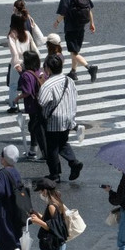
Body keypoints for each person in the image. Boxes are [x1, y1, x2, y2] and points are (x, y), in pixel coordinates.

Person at [39, 54, 83, 183]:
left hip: (53, 119)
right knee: (63, 143)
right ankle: (74, 162)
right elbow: (75, 96)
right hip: (68, 117)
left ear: (48, 69)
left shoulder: (47, 85)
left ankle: (54, 174)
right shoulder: (69, 80)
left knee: (52, 146)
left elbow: (42, 102)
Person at [52, 0, 97, 83]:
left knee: (73, 52)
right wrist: (92, 23)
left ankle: (90, 68)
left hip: (71, 27)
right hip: (82, 25)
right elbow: (89, 9)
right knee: (75, 50)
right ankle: (73, 72)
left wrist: (57, 22)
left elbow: (63, 13)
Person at [15, 51, 46, 159]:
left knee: (34, 128)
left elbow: (27, 91)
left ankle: (41, 152)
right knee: (37, 127)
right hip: (42, 103)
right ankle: (34, 150)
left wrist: (17, 98)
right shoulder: (40, 71)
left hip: (33, 105)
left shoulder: (26, 75)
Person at [7, 13, 39, 113]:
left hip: (17, 64)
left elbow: (14, 52)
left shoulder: (12, 35)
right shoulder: (27, 33)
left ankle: (14, 106)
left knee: (13, 85)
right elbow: (34, 49)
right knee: (30, 83)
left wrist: (16, 64)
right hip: (28, 62)